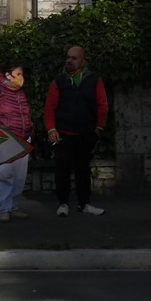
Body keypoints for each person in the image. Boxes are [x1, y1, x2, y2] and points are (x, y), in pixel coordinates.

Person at [45, 46, 109, 217]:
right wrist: (51, 128)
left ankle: (84, 203)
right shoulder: (59, 81)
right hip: (62, 132)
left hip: (85, 131)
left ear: (82, 61)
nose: (69, 60)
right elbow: (50, 107)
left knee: (83, 169)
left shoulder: (94, 80)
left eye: (74, 58)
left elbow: (102, 104)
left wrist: (99, 128)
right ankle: (63, 203)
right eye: (68, 57)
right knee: (62, 169)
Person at [0, 61, 32, 222]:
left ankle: (13, 207)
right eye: (18, 74)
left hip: (22, 139)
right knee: (3, 175)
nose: (21, 78)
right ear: (8, 75)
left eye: (21, 74)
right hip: (2, 139)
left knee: (18, 177)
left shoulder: (19, 92)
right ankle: (4, 209)